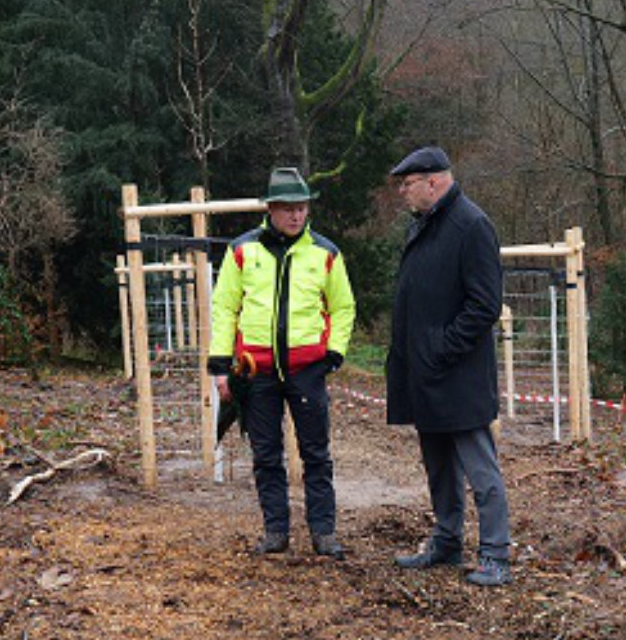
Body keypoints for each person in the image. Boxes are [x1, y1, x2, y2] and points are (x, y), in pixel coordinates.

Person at [207, 167, 357, 558]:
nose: (296, 216)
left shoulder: (326, 254)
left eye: (302, 208)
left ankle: (323, 533)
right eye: (288, 208)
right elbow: (224, 308)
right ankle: (276, 532)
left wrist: (334, 353)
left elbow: (343, 307)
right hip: (256, 373)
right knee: (266, 454)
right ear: (270, 209)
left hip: (308, 370)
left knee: (316, 454)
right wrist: (220, 366)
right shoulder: (242, 251)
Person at [384, 145, 512, 586]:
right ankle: (447, 541)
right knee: (438, 464)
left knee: (480, 468)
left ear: (434, 182)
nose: (403, 192)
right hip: (427, 374)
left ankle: (496, 554)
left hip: (458, 375)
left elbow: (484, 305)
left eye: (408, 184)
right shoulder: (426, 226)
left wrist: (442, 348)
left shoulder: (471, 225)